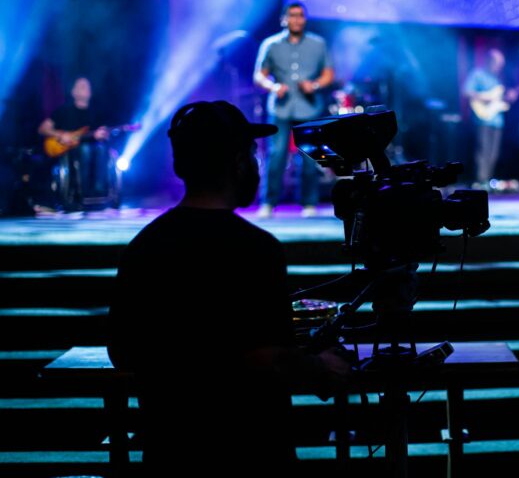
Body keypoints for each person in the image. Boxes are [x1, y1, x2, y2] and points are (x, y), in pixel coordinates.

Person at [107, 101, 351, 475]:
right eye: (253, 154)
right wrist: (322, 368)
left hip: (170, 455)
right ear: (238, 162)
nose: (256, 164)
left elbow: (122, 352)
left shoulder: (143, 248)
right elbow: (269, 357)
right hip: (250, 454)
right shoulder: (256, 250)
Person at [254, 2, 334, 218]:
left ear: (305, 19)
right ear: (284, 19)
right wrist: (273, 86)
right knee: (276, 155)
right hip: (280, 109)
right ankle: (269, 203)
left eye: (300, 16)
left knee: (310, 157)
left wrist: (314, 85)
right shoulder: (271, 44)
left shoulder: (318, 44)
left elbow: (328, 73)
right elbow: (259, 75)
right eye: (292, 15)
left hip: (309, 108)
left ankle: (309, 203)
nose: (297, 19)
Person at [37, 77, 109, 211]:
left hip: (93, 151)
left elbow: (104, 135)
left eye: (88, 86)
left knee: (98, 150)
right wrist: (60, 135)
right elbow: (42, 129)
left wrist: (102, 135)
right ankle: (77, 193)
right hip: (66, 152)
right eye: (82, 86)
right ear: (73, 92)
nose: (86, 89)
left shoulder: (96, 114)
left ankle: (96, 192)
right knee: (84, 151)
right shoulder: (63, 111)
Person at [464, 48, 519, 190]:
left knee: (493, 153)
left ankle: (487, 181)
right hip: (483, 119)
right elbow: (467, 92)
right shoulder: (478, 74)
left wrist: (510, 97)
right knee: (483, 151)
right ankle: (480, 181)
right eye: (497, 63)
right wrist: (487, 97)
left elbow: (501, 100)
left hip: (497, 121)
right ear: (489, 61)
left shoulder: (498, 79)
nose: (499, 67)